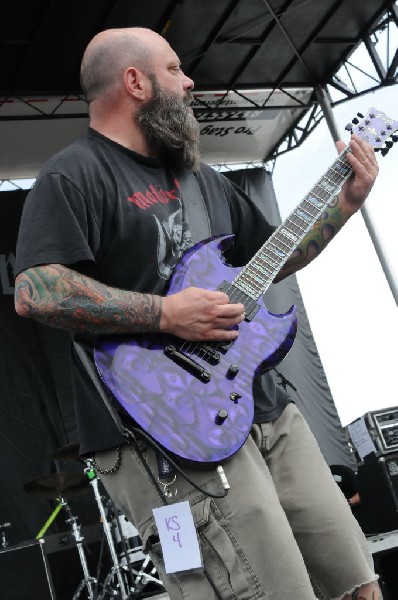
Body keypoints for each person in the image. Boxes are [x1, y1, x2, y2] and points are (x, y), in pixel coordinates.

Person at [14, 27, 381, 600]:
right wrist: (164, 313)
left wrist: (346, 204)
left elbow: (279, 258)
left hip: (261, 405)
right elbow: (37, 290)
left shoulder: (202, 179)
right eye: (175, 69)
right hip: (162, 429)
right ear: (135, 82)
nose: (189, 84)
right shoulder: (75, 174)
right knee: (270, 589)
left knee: (357, 579)